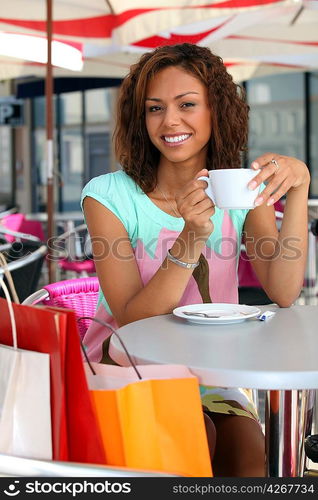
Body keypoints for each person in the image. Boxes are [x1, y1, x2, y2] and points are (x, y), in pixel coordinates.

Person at [81, 43, 310, 476]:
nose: (169, 121)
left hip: (209, 371)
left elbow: (282, 291)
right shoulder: (108, 196)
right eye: (154, 108)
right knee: (193, 434)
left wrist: (297, 191)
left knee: (248, 451)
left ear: (216, 111)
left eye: (187, 104)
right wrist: (191, 238)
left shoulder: (242, 190)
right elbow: (130, 323)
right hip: (123, 367)